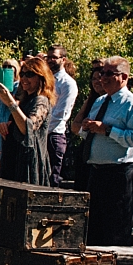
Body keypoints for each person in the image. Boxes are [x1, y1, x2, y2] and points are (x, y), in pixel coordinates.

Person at [73, 56, 133, 246]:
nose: (102, 78)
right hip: (96, 173)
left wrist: (107, 130)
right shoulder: (99, 102)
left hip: (118, 175)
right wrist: (88, 128)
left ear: (123, 77)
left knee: (115, 230)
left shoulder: (132, 104)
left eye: (108, 74)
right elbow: (89, 134)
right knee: (94, 229)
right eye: (100, 73)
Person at [0, 57, 55, 185]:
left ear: (41, 77)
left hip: (29, 164)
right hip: (14, 160)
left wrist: (10, 102)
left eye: (30, 74)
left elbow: (28, 128)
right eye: (22, 74)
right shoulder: (25, 101)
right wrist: (5, 128)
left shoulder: (41, 100)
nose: (24, 78)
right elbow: (16, 129)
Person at [70, 60, 106, 190]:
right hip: (86, 149)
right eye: (93, 79)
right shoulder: (91, 100)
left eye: (99, 78)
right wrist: (85, 128)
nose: (96, 82)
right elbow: (74, 126)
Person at [46, 45, 78, 187]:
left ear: (63, 59)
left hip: (54, 135)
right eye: (49, 57)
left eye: (54, 57)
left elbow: (60, 114)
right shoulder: (45, 80)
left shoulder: (68, 84)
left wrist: (40, 131)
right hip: (39, 134)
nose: (50, 60)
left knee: (52, 178)